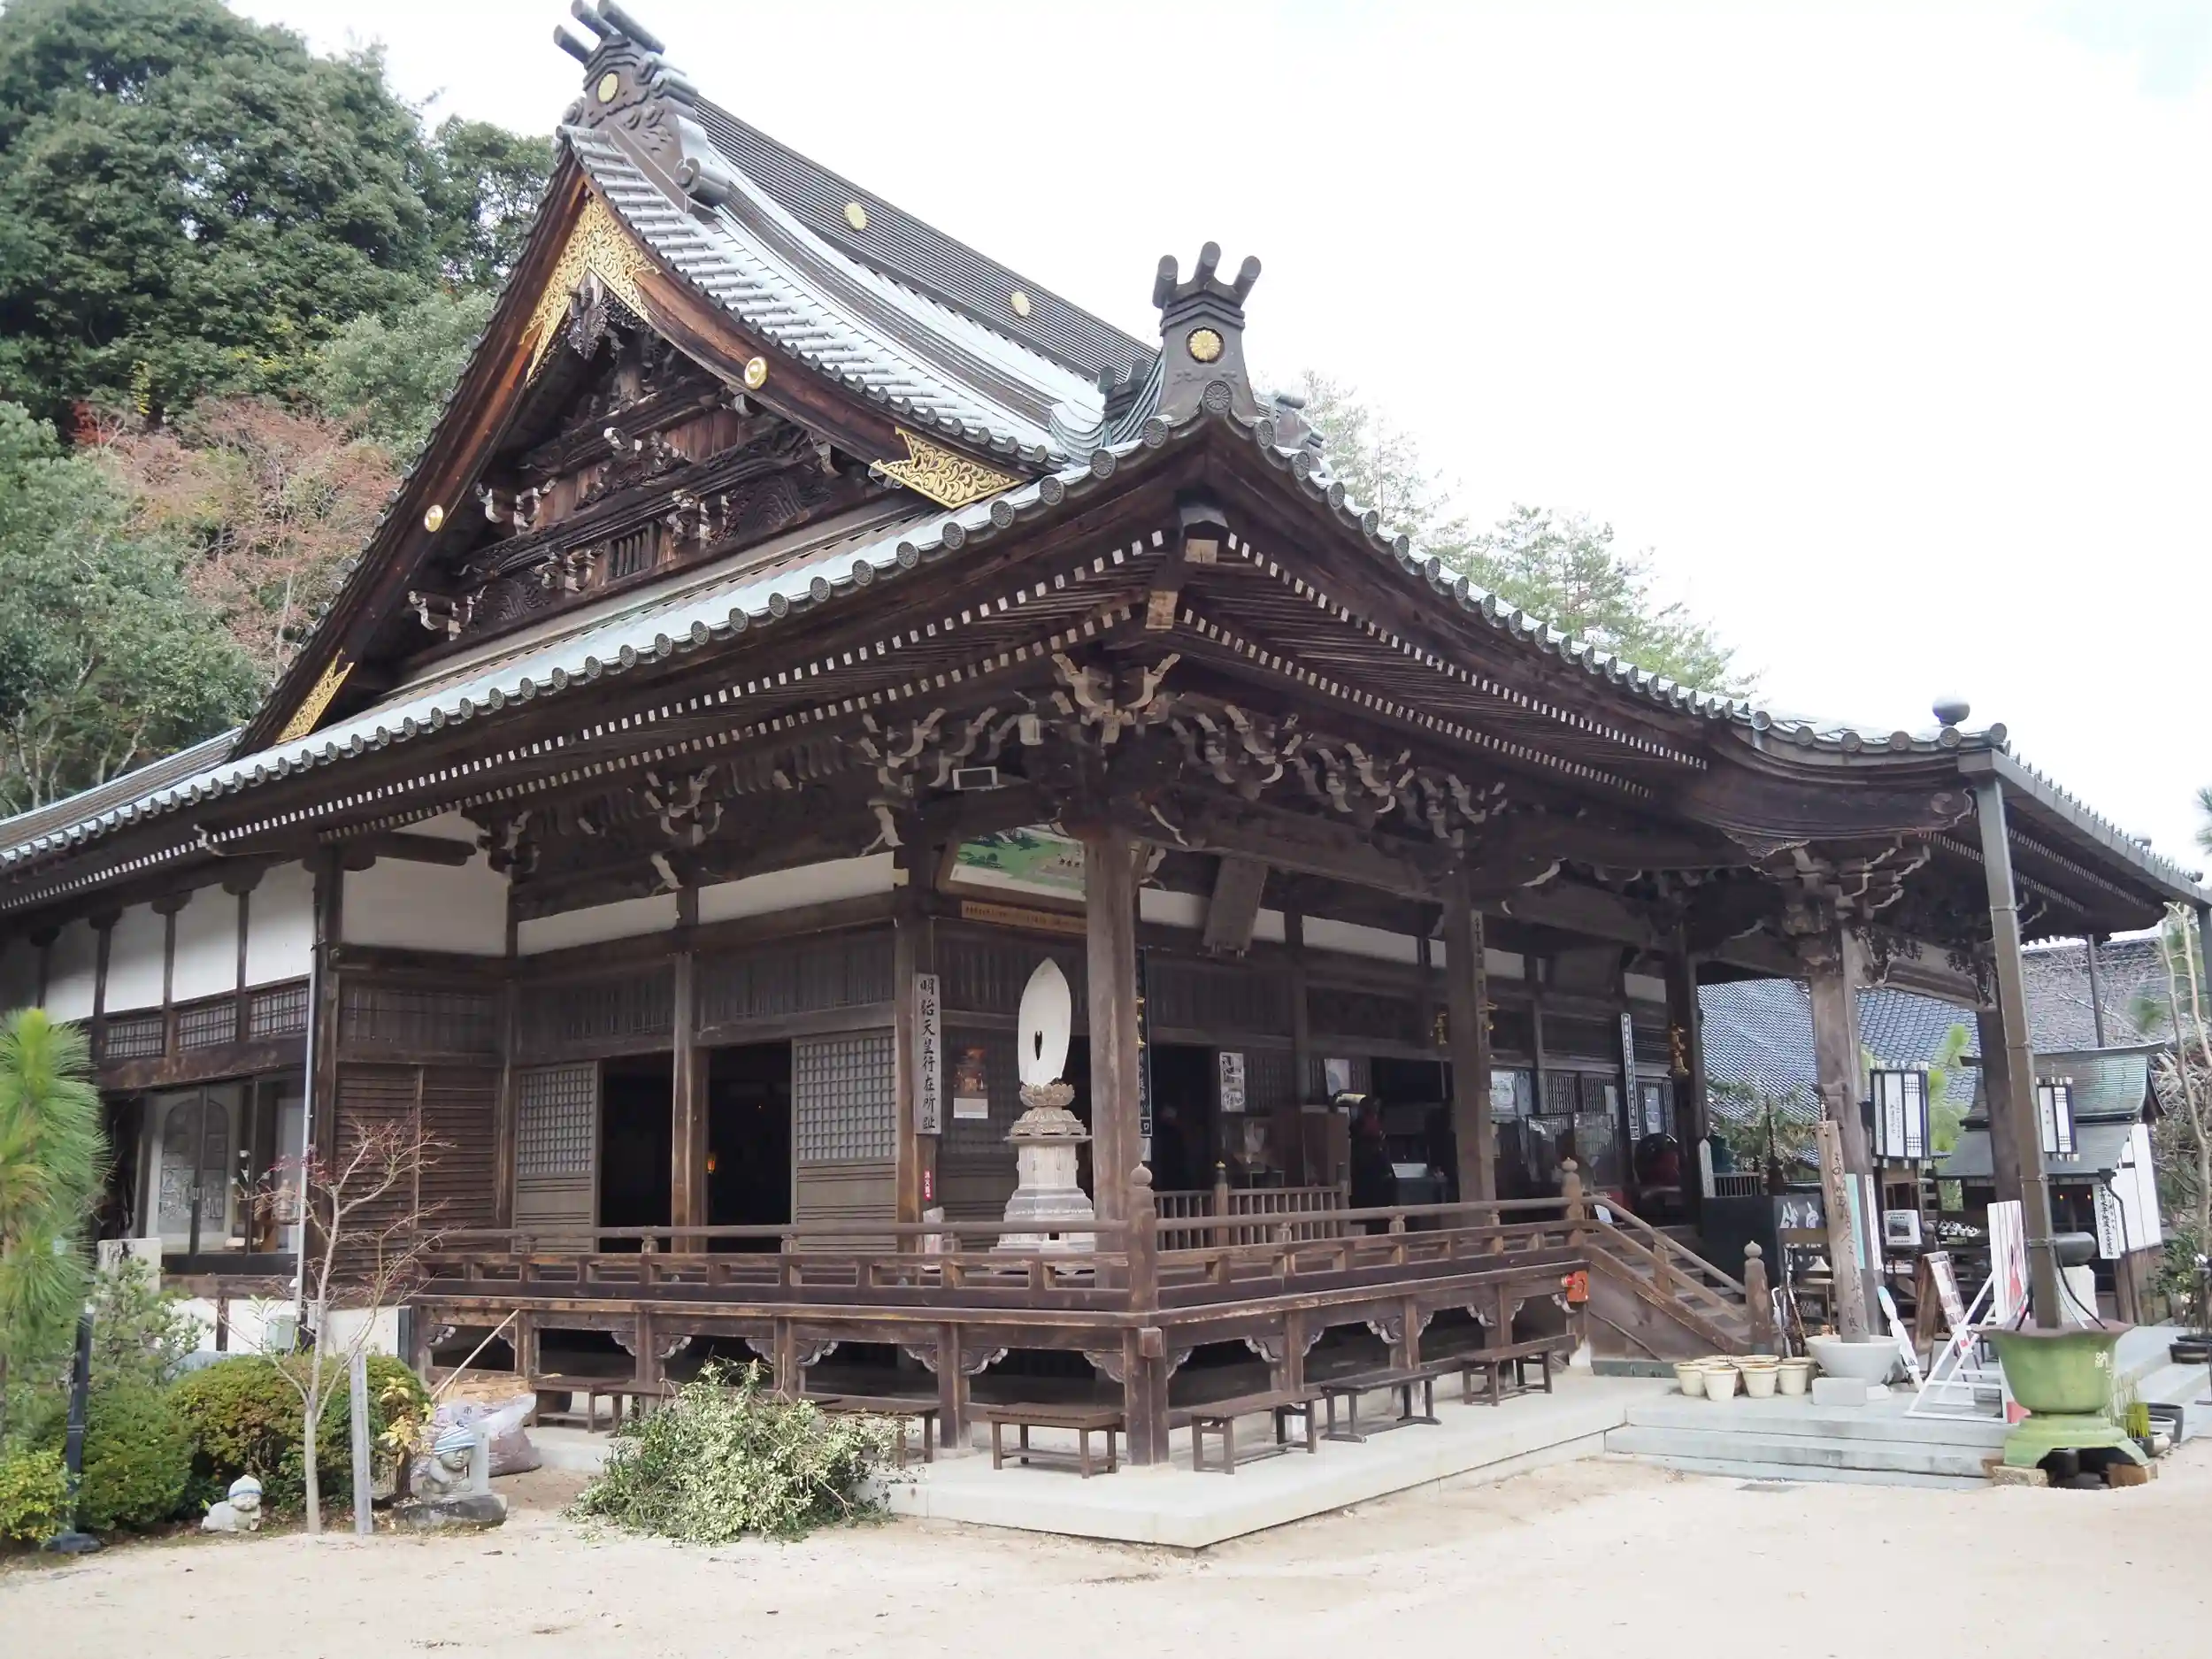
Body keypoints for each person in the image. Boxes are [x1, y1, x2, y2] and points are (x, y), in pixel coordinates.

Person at [1349, 1101, 1398, 1228]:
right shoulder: (1357, 1143)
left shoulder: (1383, 1141)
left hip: (1385, 1202)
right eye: (1372, 1117)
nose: (1377, 1123)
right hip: (1366, 1202)